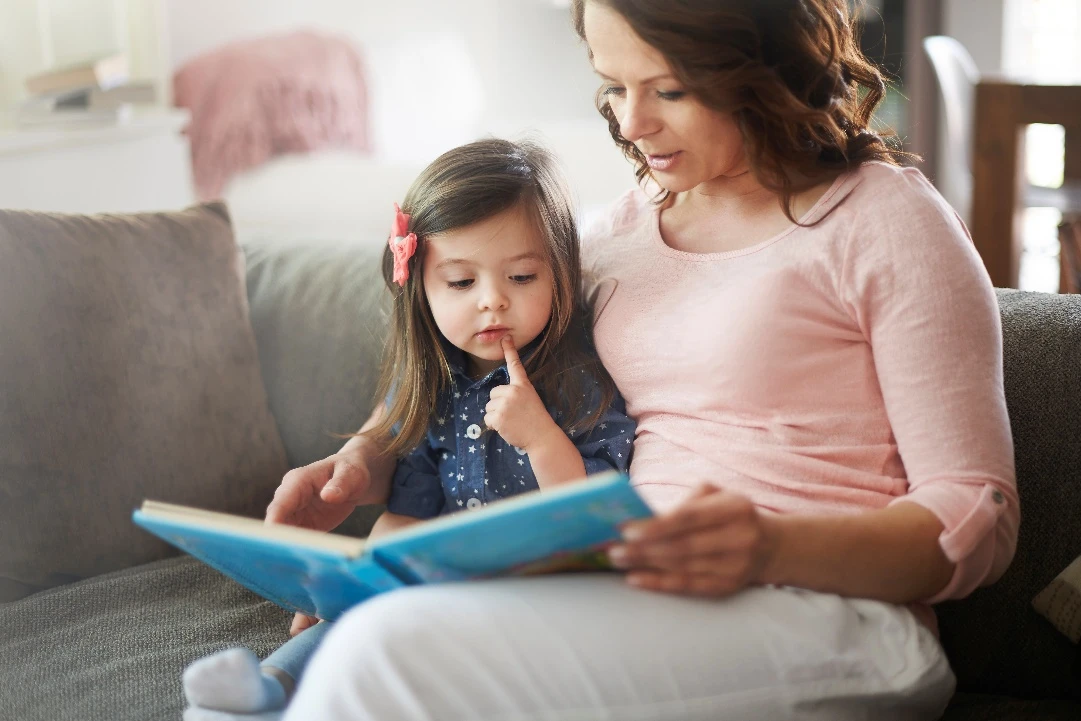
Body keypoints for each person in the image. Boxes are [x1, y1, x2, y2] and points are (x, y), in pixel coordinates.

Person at [268, 1, 1020, 719]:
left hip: (834, 619)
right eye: (612, 85)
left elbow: (978, 514)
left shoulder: (885, 220)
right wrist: (368, 454)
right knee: (374, 628)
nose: (631, 121)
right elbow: (471, 362)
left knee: (387, 654)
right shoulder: (614, 234)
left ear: (764, 64)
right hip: (622, 584)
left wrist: (766, 544)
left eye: (668, 88)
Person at [180, 138, 635, 721]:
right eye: (462, 283)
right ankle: (268, 685)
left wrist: (542, 438)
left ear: (560, 275)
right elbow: (407, 508)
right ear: (420, 286)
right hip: (437, 587)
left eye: (521, 277)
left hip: (536, 599)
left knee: (397, 651)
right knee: (346, 623)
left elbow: (599, 519)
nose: (493, 302)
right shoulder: (433, 383)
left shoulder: (581, 383)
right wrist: (357, 581)